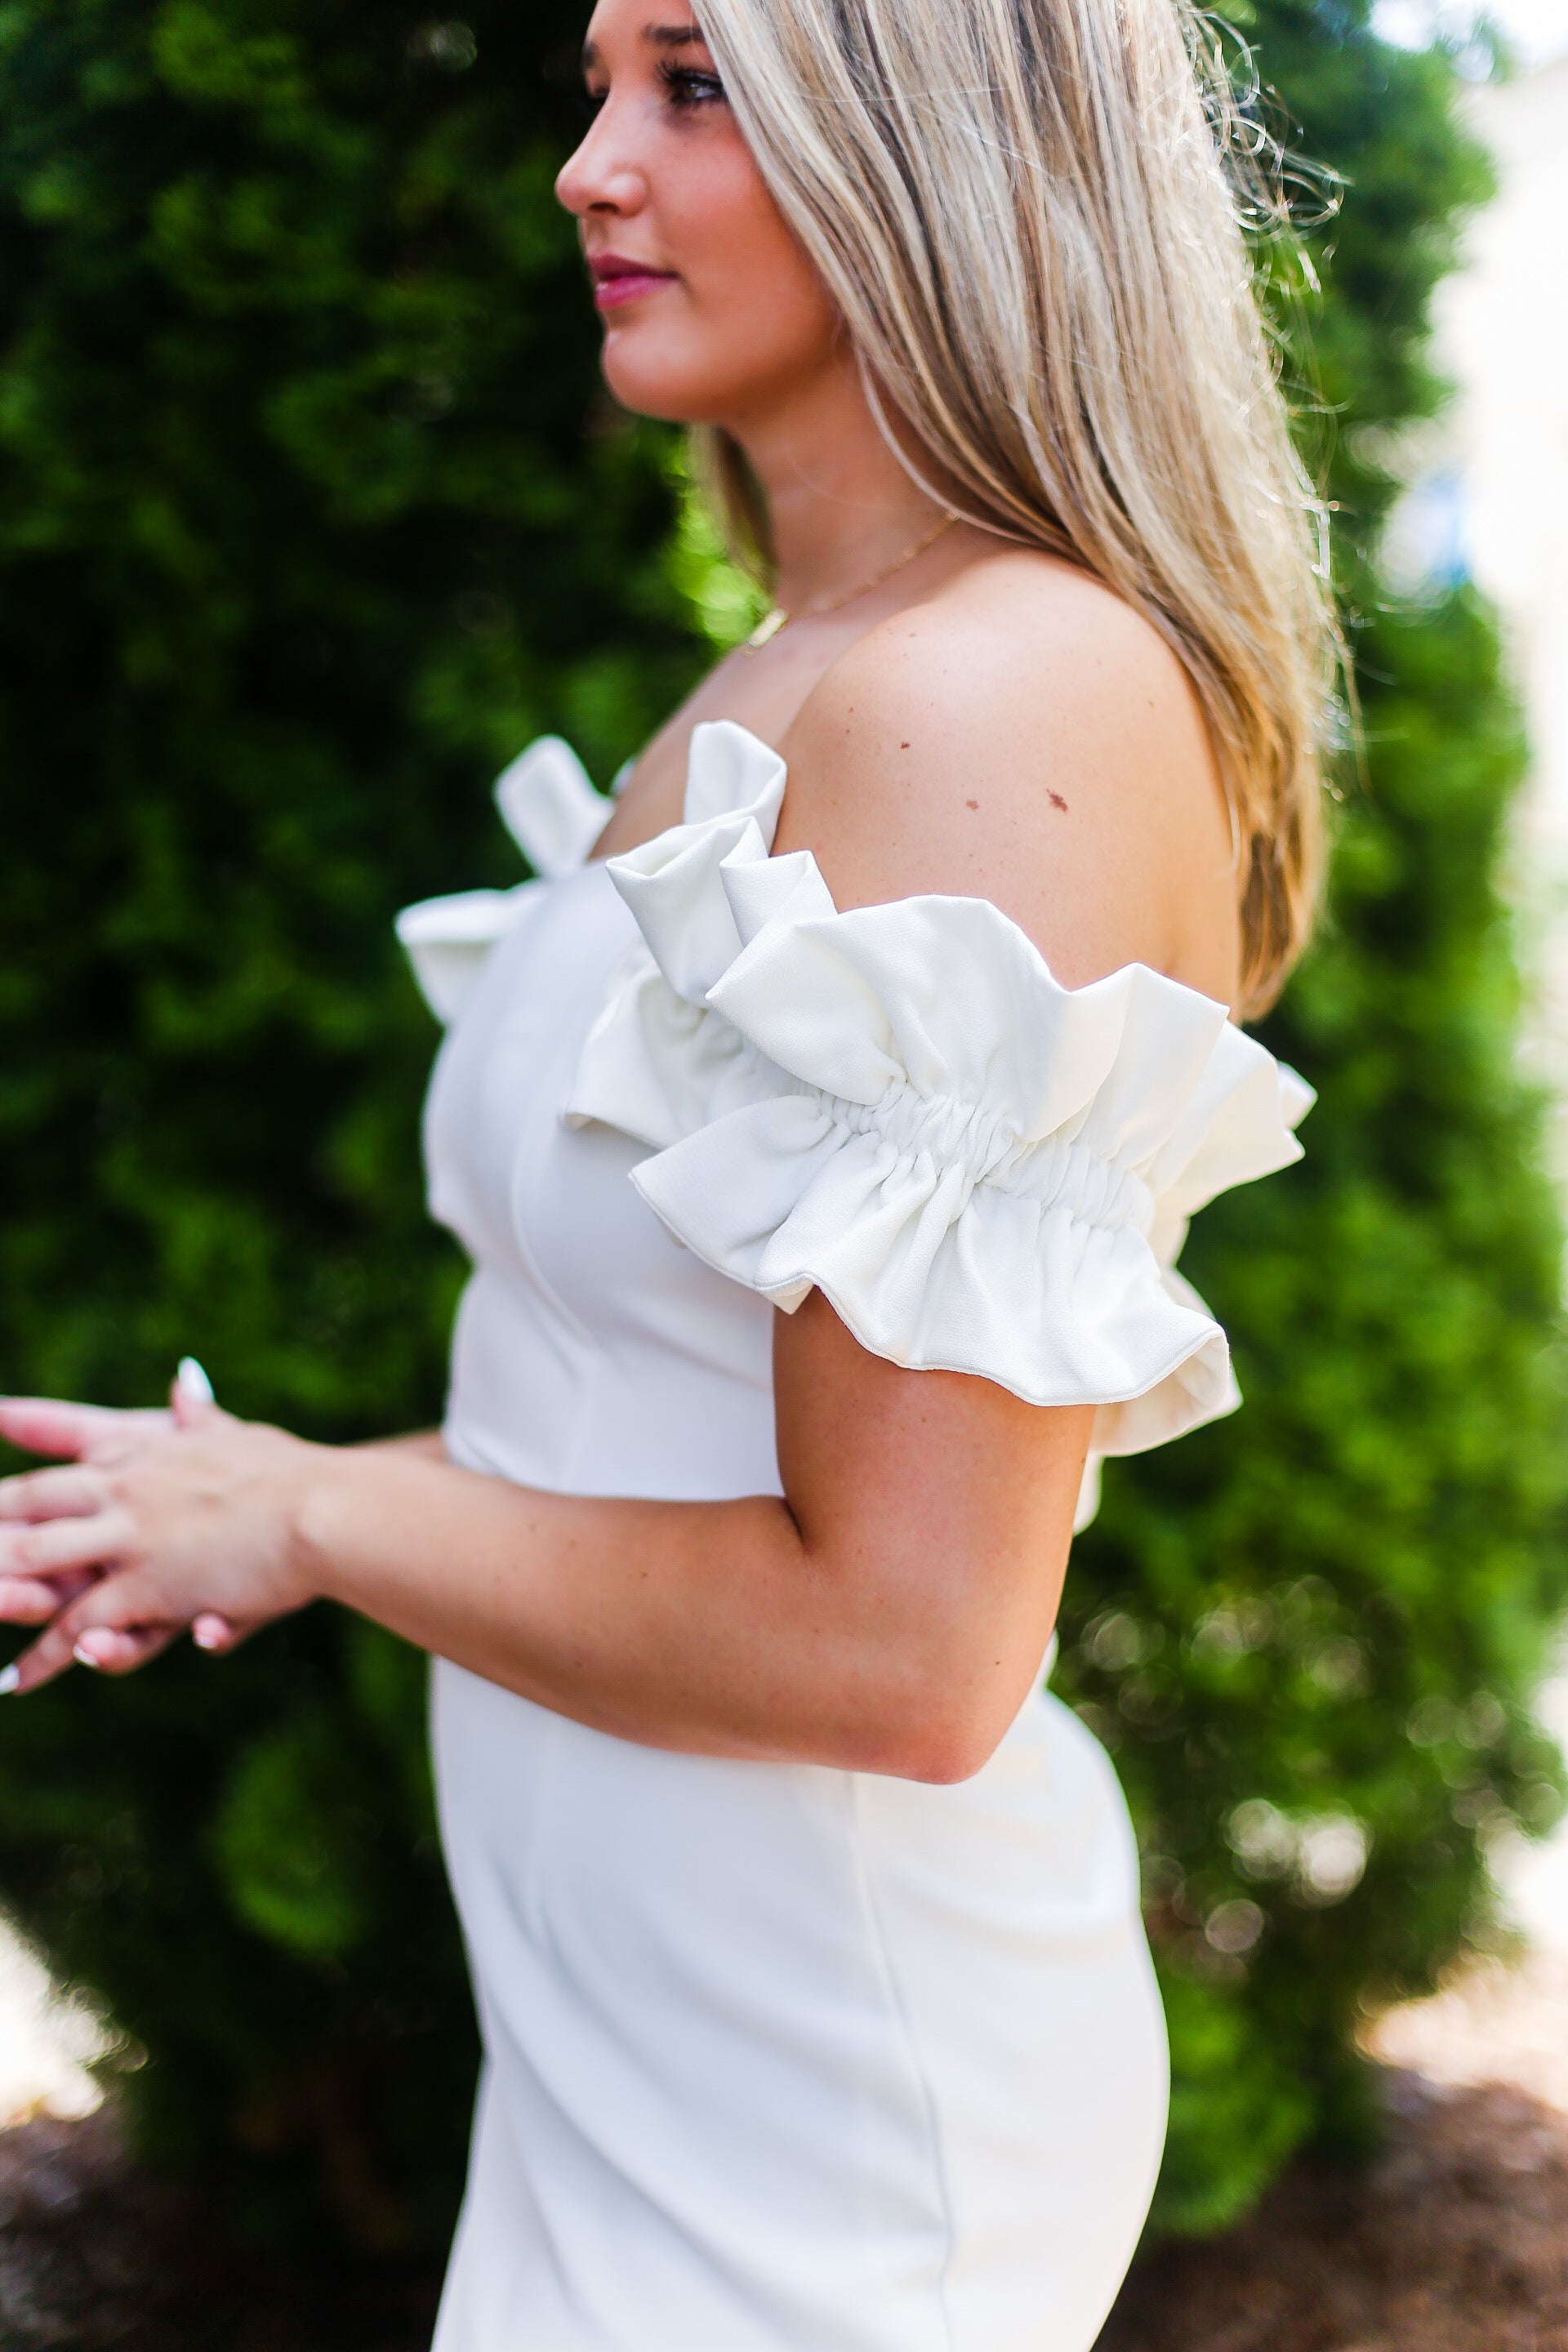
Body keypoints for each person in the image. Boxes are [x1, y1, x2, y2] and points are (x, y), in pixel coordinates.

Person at [0, 0, 1337, 2342]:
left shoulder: (993, 695)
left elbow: (912, 1648)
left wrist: (322, 1514)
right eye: (600, 83)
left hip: (826, 2099)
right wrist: (246, 1487)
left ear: (935, 135)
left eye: (694, 84)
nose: (588, 170)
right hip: (640, 2041)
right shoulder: (804, 668)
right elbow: (625, 1416)